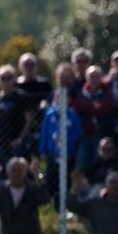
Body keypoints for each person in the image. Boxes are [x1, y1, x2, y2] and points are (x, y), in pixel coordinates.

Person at [38, 63, 82, 200]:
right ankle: (52, 202)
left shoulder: (73, 115)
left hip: (68, 154)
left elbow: (77, 134)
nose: (61, 100)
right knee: (51, 179)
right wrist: (43, 150)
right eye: (58, 98)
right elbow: (45, 133)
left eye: (64, 98)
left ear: (69, 100)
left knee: (67, 179)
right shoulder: (50, 115)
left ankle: (67, 203)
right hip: (52, 154)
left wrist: (71, 146)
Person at [0, 65, 32, 170]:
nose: (6, 81)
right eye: (2, 78)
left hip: (14, 146)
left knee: (16, 174)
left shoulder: (21, 97)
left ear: (14, 79)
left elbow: (29, 120)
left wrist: (20, 139)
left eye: (9, 77)